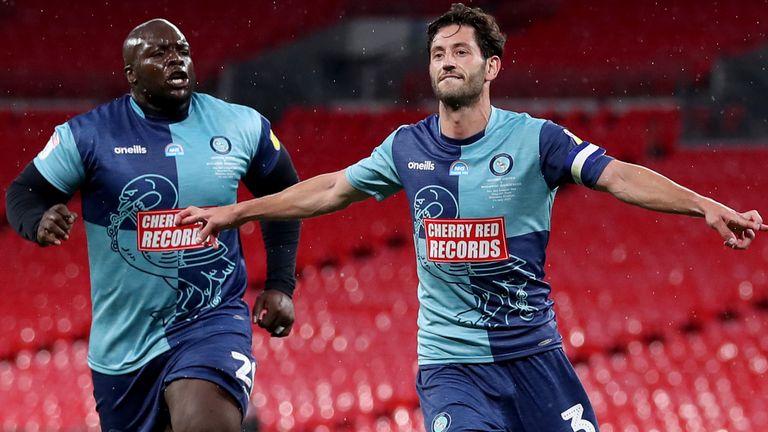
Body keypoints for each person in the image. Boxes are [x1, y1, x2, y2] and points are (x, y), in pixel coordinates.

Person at [176, 4, 766, 431]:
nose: (448, 62)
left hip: (535, 357)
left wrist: (703, 205)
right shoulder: (406, 147)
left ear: (492, 67)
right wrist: (238, 211)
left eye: (462, 52)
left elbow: (618, 175)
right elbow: (331, 189)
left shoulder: (537, 139)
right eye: (438, 53)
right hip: (451, 366)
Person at [5, 19, 300, 431]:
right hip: (123, 344)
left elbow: (285, 193)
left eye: (182, 50)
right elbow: (22, 194)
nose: (175, 59)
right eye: (158, 54)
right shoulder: (87, 135)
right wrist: (37, 221)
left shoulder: (242, 125)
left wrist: (281, 284)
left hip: (211, 321)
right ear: (130, 74)